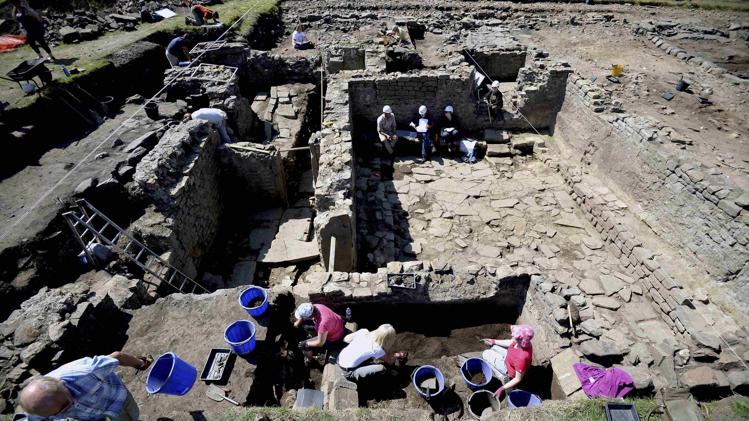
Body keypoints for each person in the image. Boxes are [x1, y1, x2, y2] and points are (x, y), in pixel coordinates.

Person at [18, 351, 152, 421]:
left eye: (65, 407)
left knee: (131, 417)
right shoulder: (37, 407)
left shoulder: (87, 371)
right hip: (88, 416)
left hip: (116, 400)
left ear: (63, 386)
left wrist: (140, 363)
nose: (62, 414)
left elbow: (117, 357)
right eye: (52, 416)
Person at [337, 324, 407, 381]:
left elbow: (346, 339)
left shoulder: (363, 331)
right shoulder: (377, 349)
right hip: (348, 372)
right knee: (382, 368)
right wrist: (396, 356)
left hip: (339, 358)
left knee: (368, 357)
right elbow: (389, 362)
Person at [481, 324, 534, 398]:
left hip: (509, 369)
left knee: (485, 354)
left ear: (519, 340)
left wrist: (502, 388)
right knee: (494, 346)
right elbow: (511, 342)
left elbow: (518, 378)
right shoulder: (525, 342)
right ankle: (497, 353)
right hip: (510, 357)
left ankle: (503, 377)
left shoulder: (522, 359)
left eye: (514, 336)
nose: (512, 335)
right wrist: (493, 341)